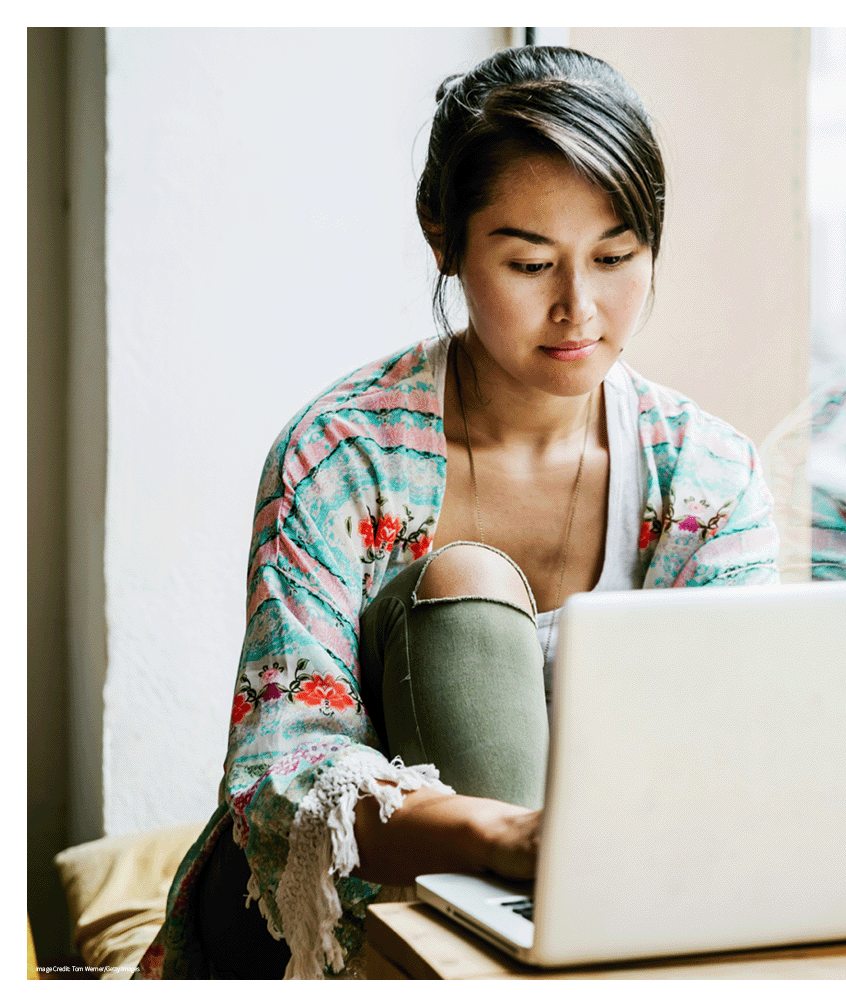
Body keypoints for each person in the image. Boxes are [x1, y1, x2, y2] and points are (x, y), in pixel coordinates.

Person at [137, 45, 779, 979]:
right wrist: (504, 835)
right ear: (443, 237)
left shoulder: (707, 477)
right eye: (529, 262)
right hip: (306, 919)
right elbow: (276, 779)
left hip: (591, 913)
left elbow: (736, 743)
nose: (579, 309)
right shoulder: (342, 454)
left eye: (616, 257)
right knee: (468, 581)